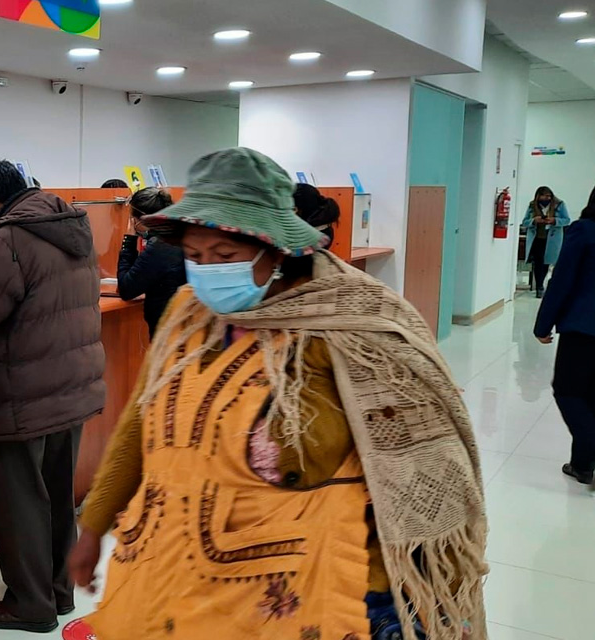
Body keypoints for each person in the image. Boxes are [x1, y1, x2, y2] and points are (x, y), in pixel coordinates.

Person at [68, 148, 488, 640]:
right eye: (195, 256)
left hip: (304, 584)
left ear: (276, 250)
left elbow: (414, 460)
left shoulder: (351, 325)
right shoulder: (188, 313)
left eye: (224, 256)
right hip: (177, 572)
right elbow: (140, 421)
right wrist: (94, 526)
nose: (206, 271)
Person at [0, 159, 107, 633]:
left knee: (18, 500)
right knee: (56, 492)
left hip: (21, 392)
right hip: (69, 385)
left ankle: (29, 605)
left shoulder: (3, 239)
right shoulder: (68, 223)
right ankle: (57, 593)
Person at [534, 186, 595, 485]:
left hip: (584, 326)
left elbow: (562, 280)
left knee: (569, 390)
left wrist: (543, 325)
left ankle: (587, 454)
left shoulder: (585, 231)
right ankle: (581, 464)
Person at [117, 187, 186, 335]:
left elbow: (126, 288)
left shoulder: (160, 247)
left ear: (141, 219)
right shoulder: (180, 236)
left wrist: (129, 240)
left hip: (167, 329)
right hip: (181, 321)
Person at [521, 186, 570, 298]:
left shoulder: (559, 205)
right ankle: (539, 287)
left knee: (546, 262)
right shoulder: (532, 205)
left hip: (551, 238)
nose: (546, 198)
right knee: (538, 262)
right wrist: (534, 220)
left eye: (548, 196)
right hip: (537, 237)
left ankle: (541, 284)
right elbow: (525, 221)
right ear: (538, 196)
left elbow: (567, 220)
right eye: (544, 196)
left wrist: (554, 220)